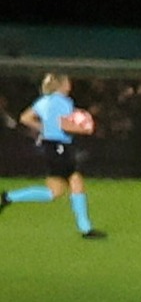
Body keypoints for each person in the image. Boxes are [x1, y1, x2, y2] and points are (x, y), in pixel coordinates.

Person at [12, 75, 98, 237]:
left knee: (55, 191)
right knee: (75, 179)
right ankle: (85, 229)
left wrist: (45, 128)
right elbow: (63, 124)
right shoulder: (64, 102)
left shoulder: (44, 100)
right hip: (60, 146)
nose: (70, 84)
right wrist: (85, 129)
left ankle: (9, 197)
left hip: (49, 146)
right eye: (67, 81)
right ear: (61, 85)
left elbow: (25, 118)